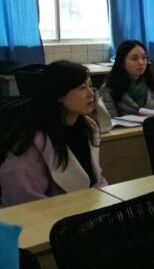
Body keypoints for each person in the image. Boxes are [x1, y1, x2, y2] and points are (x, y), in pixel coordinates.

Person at [0, 61, 108, 207]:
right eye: (82, 88)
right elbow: (25, 199)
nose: (91, 94)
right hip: (46, 216)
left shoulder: (89, 127)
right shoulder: (30, 141)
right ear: (59, 95)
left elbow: (96, 179)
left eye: (91, 85)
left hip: (85, 209)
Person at [100, 40, 154, 117]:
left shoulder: (151, 83)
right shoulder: (108, 89)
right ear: (122, 62)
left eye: (144, 58)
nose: (141, 62)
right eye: (134, 58)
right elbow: (111, 119)